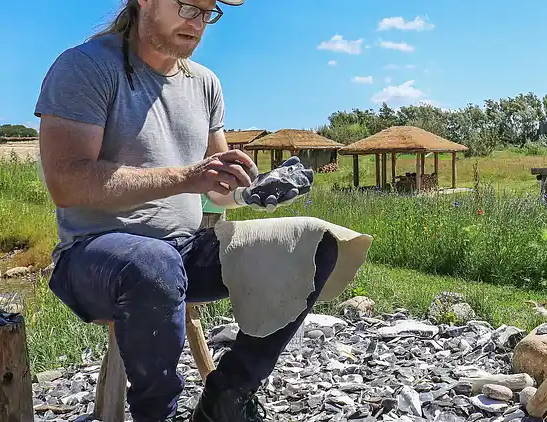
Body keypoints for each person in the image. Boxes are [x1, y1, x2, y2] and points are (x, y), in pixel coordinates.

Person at [34, 1, 337, 421]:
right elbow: (66, 183)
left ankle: (227, 397)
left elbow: (216, 187)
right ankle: (156, 413)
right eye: (186, 6)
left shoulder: (204, 82)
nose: (196, 23)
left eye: (207, 13)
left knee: (313, 242)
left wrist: (256, 190)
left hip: (183, 250)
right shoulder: (85, 67)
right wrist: (186, 177)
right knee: (152, 264)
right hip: (92, 258)